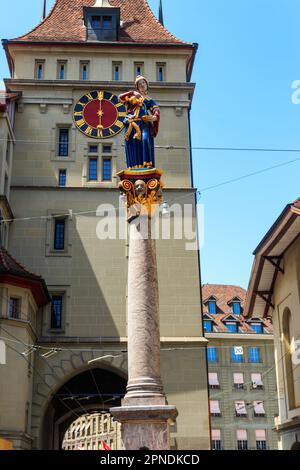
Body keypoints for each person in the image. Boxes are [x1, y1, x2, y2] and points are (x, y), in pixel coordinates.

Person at [118, 76, 160, 169]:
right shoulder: (133, 97)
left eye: (143, 83)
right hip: (132, 124)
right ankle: (133, 166)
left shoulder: (149, 100)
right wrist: (132, 93)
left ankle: (147, 163)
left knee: (145, 140)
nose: (142, 85)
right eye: (139, 84)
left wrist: (153, 117)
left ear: (146, 85)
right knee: (132, 145)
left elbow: (156, 110)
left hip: (144, 124)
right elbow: (120, 98)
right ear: (137, 87)